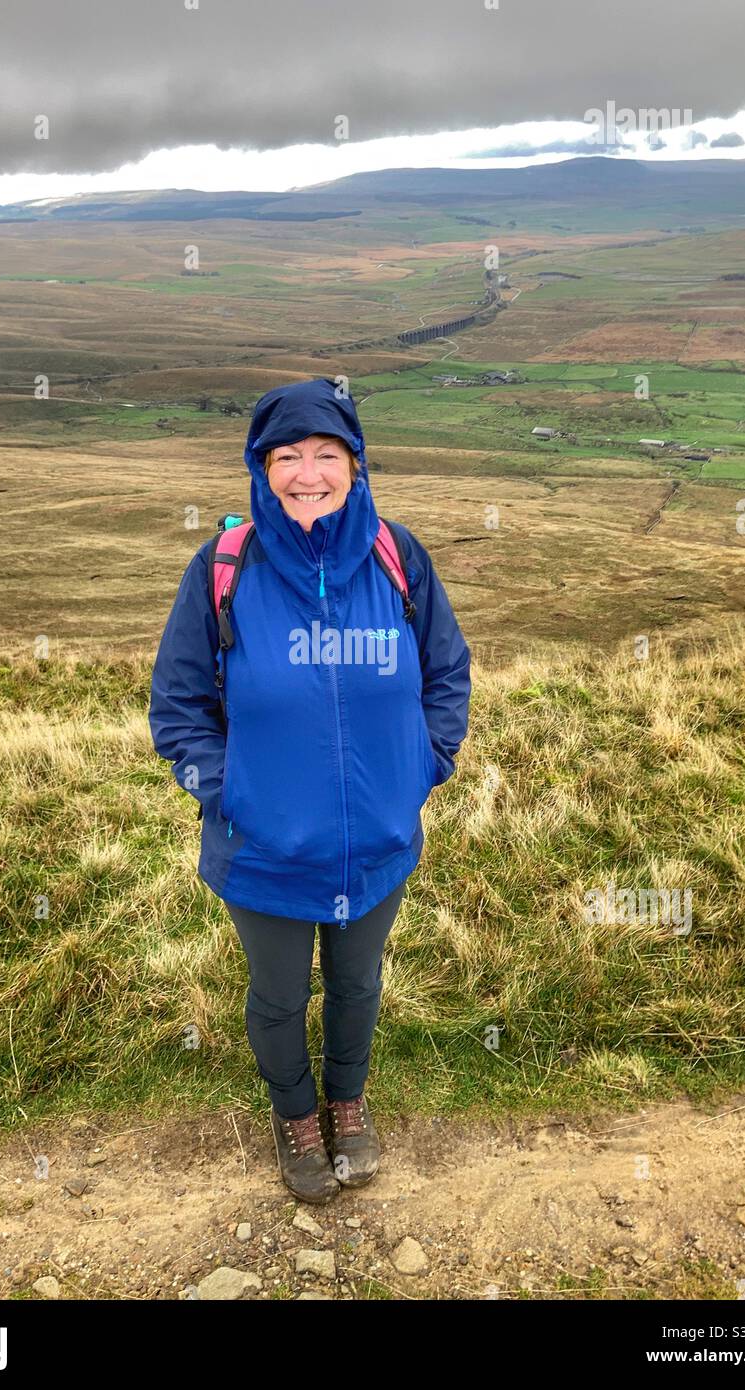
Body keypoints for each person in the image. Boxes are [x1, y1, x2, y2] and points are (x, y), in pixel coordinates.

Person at [149, 377, 471, 1203]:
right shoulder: (223, 567)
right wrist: (228, 796)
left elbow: (446, 671)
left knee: (359, 984)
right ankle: (295, 1117)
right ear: (261, 468)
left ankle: (348, 1103)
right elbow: (177, 708)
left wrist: (423, 767)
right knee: (279, 993)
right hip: (263, 849)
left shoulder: (397, 556)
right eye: (286, 456)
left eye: (326, 454)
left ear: (355, 466)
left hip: (377, 840)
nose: (307, 473)